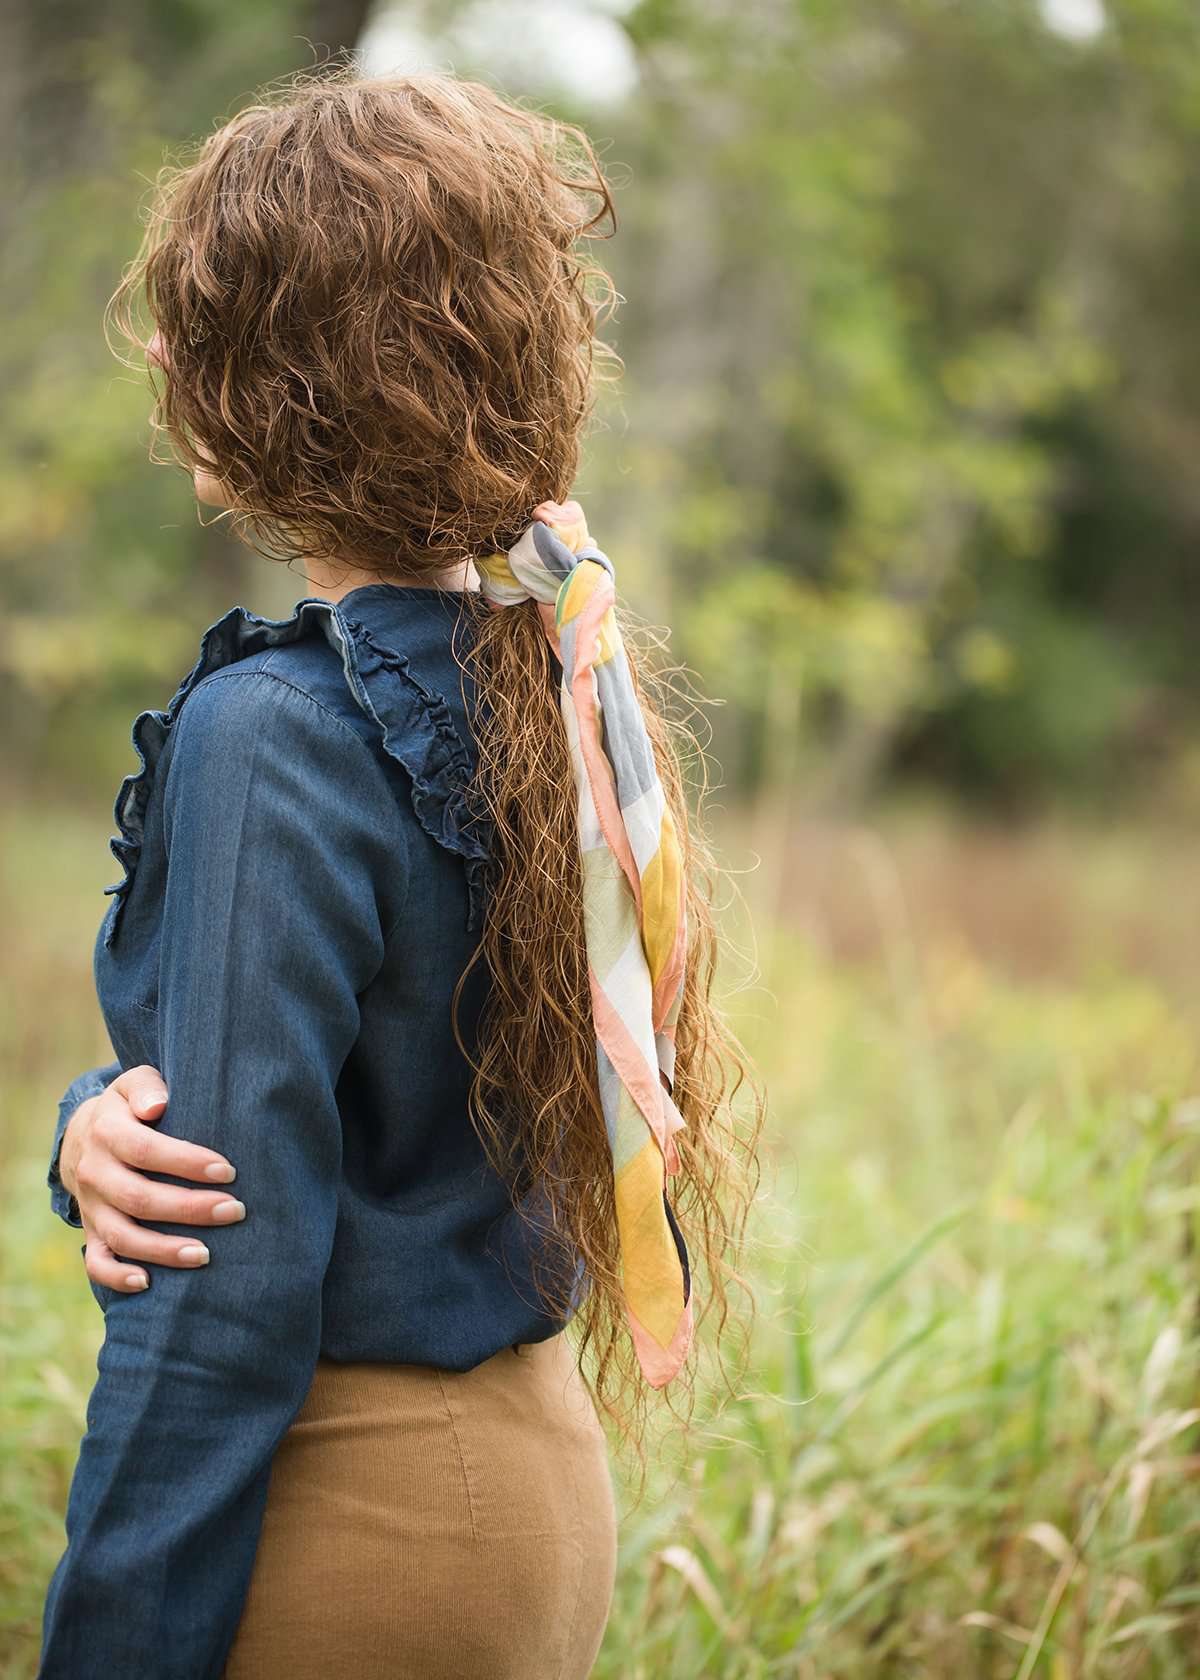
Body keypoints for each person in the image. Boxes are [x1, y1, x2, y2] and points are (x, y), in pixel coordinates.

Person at [38, 67, 764, 1680]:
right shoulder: (532, 667)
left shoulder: (272, 733)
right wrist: (101, 1119)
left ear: (280, 381)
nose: (160, 356)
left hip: (354, 1515)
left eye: (198, 323)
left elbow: (222, 1296)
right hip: (530, 1493)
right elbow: (388, 1106)